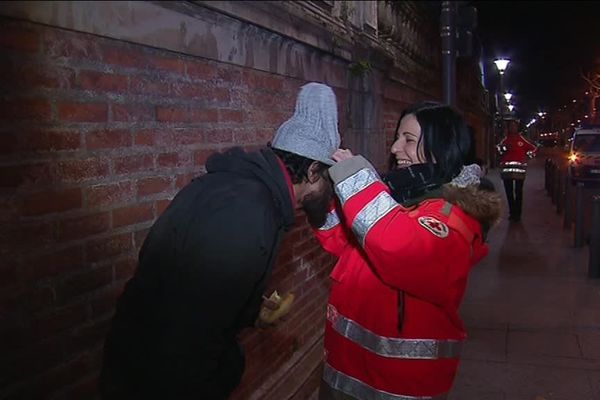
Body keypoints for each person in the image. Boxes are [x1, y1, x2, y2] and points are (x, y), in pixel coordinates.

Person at [99, 82, 341, 400]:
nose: (329, 190)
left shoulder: (242, 190)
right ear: (312, 171)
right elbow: (191, 332)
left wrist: (251, 310)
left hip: (145, 366)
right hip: (161, 381)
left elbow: (197, 286)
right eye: (328, 178)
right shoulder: (249, 211)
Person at [314, 101, 502, 399]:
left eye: (409, 140)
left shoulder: (453, 216)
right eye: (397, 138)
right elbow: (343, 243)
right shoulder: (402, 192)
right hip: (346, 370)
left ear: (441, 148)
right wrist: (320, 201)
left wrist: (356, 179)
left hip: (399, 384)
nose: (395, 148)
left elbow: (400, 249)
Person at [497, 118, 537, 222]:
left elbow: (533, 149)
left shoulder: (522, 140)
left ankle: (518, 214)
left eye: (514, 126)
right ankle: (512, 213)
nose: (513, 128)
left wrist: (527, 157)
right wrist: (503, 149)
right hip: (507, 172)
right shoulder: (505, 140)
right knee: (509, 193)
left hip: (519, 172)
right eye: (511, 126)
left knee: (518, 192)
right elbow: (499, 150)